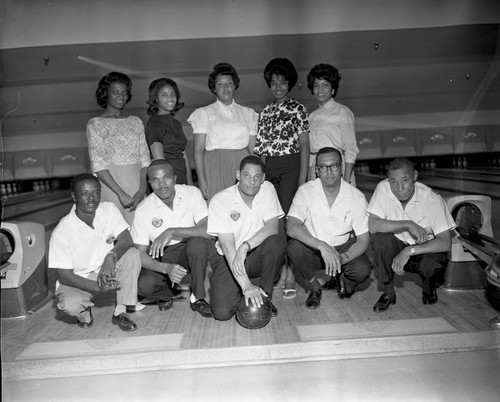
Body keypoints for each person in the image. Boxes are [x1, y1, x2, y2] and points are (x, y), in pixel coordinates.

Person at [49, 174, 141, 332]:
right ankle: (84, 313)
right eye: (84, 193)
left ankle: (120, 312)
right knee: (71, 305)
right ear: (74, 196)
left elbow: (126, 239)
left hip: (106, 270)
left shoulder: (108, 209)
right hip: (78, 279)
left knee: (132, 254)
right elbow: (65, 275)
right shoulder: (61, 232)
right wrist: (96, 286)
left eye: (96, 192)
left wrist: (110, 257)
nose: (92, 198)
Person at [287, 147, 372, 309]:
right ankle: (314, 288)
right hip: (315, 249)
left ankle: (343, 283)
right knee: (293, 247)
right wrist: (322, 246)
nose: (329, 172)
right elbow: (291, 227)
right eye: (323, 167)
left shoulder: (356, 197)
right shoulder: (306, 191)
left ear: (341, 168)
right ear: (317, 171)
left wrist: (344, 257)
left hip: (342, 248)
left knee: (362, 269)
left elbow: (364, 240)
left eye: (333, 166)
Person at [253, 58, 310, 299]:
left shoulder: (298, 109)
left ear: (291, 84)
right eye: (273, 82)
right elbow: (261, 151)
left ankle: (289, 274)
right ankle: (276, 269)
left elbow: (305, 147)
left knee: (287, 220)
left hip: (290, 165)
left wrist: (302, 180)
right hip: (270, 168)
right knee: (273, 221)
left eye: (283, 82)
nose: (278, 86)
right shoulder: (265, 112)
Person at [367, 157, 455, 312]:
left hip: (422, 252)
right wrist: (408, 224)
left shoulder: (432, 200)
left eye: (405, 180)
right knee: (380, 240)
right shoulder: (383, 189)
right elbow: (373, 225)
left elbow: (445, 242)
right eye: (393, 182)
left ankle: (429, 288)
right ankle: (388, 293)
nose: (399, 187)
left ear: (415, 176)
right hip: (396, 247)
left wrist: (409, 251)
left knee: (431, 264)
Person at [207, 155, 286, 321]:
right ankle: (246, 286)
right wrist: (246, 285)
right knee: (222, 313)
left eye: (257, 177)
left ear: (263, 178)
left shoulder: (268, 189)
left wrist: (245, 246)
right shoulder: (220, 200)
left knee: (277, 242)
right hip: (228, 259)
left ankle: (265, 296)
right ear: (238, 175)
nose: (252, 182)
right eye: (247, 175)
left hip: (255, 254)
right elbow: (228, 247)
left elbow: (272, 227)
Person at [130, 160, 213, 317]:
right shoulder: (143, 209)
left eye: (166, 177)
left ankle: (197, 298)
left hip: (188, 250)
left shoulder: (192, 193)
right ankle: (165, 293)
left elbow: (208, 230)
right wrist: (165, 268)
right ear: (149, 183)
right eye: (155, 180)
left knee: (198, 244)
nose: (162, 184)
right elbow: (138, 254)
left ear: (175, 178)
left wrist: (172, 231)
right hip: (161, 255)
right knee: (143, 285)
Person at [87, 71, 151, 225]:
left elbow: (145, 159)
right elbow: (98, 164)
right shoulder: (95, 123)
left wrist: (142, 190)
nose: (120, 96)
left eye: (124, 92)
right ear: (105, 94)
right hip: (111, 186)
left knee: (140, 231)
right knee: (116, 233)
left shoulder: (136, 122)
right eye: (115, 92)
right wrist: (121, 194)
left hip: (136, 184)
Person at [188, 62, 258, 200]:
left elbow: (253, 149)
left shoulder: (249, 114)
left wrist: (256, 173)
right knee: (218, 207)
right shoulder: (203, 113)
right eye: (220, 84)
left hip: (242, 165)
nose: (225, 88)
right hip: (215, 166)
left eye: (229, 83)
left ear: (235, 85)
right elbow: (198, 150)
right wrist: (202, 180)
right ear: (214, 88)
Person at [307, 64, 359, 186]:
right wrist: (310, 179)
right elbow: (311, 154)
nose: (320, 89)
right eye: (316, 85)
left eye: (325, 85)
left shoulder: (343, 111)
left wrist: (346, 181)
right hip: (317, 171)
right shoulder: (311, 117)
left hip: (337, 169)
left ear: (333, 89)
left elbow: (351, 149)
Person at [145, 78, 193, 185]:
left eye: (173, 94)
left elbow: (183, 156)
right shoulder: (154, 123)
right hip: (168, 182)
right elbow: (160, 161)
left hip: (182, 179)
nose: (170, 98)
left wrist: (190, 183)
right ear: (156, 99)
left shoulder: (177, 123)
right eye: (164, 95)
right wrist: (169, 184)